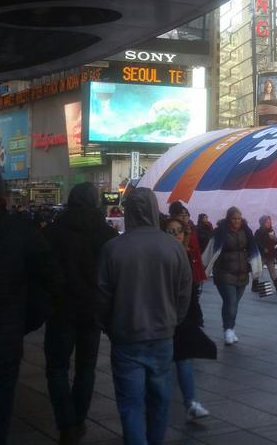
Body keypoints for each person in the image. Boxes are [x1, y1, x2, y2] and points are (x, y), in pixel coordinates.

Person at [96, 188, 191, 445]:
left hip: (126, 335)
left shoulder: (113, 248)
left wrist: (108, 325)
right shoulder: (173, 247)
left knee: (130, 403)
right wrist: (174, 320)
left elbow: (102, 296)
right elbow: (184, 293)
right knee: (160, 401)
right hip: (162, 335)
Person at [0, 167, 62, 445]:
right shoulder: (21, 231)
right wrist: (25, 321)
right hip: (4, 344)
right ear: (2, 194)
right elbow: (51, 281)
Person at [44, 182, 118, 444]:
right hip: (92, 311)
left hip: (61, 310)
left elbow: (45, 271)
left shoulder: (55, 231)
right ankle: (79, 419)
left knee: (56, 368)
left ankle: (66, 423)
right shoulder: (106, 234)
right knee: (86, 368)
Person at [161, 218, 213, 422]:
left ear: (184, 234)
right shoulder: (160, 256)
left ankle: (191, 402)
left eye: (178, 231)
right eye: (169, 231)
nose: (174, 235)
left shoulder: (188, 256)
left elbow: (190, 292)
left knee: (183, 359)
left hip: (181, 318)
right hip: (163, 317)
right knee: (169, 361)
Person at [202, 207, 261, 346]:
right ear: (229, 218)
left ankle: (231, 327)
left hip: (242, 273)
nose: (237, 221)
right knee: (230, 302)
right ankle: (228, 330)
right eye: (234, 218)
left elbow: (253, 248)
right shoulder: (220, 232)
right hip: (224, 273)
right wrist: (204, 267)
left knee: (233, 303)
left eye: (239, 218)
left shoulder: (246, 231)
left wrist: (255, 267)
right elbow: (211, 249)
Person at [254, 215, 277, 291]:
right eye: (267, 222)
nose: (269, 223)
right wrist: (263, 248)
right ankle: (254, 286)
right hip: (262, 254)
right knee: (258, 270)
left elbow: (275, 242)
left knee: (272, 270)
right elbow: (257, 242)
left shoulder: (271, 231)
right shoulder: (259, 232)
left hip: (270, 254)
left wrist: (275, 239)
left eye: (269, 222)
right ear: (262, 223)